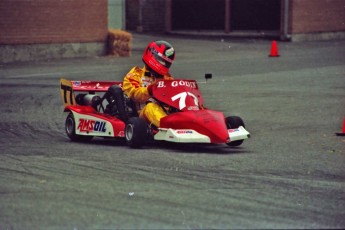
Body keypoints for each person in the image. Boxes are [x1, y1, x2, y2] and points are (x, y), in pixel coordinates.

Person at [122, 40, 176, 128]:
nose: (164, 64)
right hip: (143, 114)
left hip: (165, 112)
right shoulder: (136, 74)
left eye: (166, 62)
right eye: (161, 61)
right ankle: (171, 127)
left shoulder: (167, 78)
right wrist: (150, 90)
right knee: (150, 107)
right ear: (152, 55)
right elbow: (134, 94)